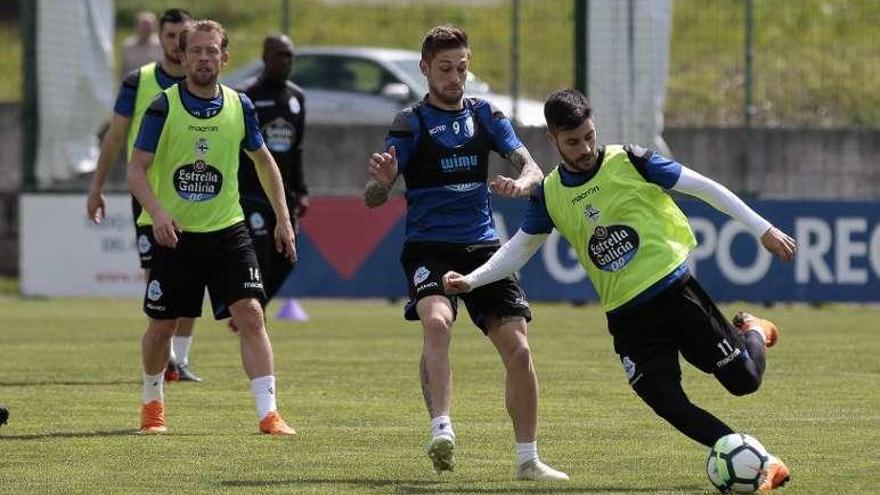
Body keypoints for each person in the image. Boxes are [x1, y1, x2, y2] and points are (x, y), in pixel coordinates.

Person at [443, 88, 795, 491]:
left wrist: (763, 229)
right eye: (573, 142)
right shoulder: (550, 194)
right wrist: (472, 280)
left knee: (744, 382)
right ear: (552, 140)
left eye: (589, 136)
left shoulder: (631, 160)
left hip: (675, 292)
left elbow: (705, 187)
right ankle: (759, 461)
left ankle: (752, 329)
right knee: (662, 396)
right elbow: (518, 250)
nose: (585, 148)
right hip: (626, 316)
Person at [365, 25, 568, 481]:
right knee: (438, 322)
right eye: (444, 69)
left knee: (518, 350)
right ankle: (442, 429)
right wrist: (381, 182)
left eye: (461, 67)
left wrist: (523, 183)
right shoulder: (411, 122)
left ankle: (528, 460)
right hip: (429, 247)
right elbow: (372, 198)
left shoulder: (486, 115)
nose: (455, 77)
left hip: (483, 248)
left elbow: (533, 166)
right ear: (425, 70)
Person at [127, 19, 297, 435]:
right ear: (182, 57)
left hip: (228, 231)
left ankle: (269, 414)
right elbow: (136, 170)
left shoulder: (241, 105)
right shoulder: (163, 106)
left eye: (212, 50)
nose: (204, 58)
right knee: (161, 327)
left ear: (225, 57)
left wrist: (283, 217)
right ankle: (152, 403)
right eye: (196, 51)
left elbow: (263, 160)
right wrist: (158, 213)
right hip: (176, 235)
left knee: (252, 315)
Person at [87, 9, 202, 382]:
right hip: (149, 194)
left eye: (182, 34)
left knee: (193, 274)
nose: (175, 42)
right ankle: (164, 355)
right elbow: (115, 137)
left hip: (195, 194)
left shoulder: (206, 86)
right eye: (170, 36)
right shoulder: (140, 82)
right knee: (158, 274)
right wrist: (97, 187)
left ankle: (178, 360)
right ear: (162, 39)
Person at [222, 33, 307, 318]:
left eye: (289, 55)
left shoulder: (297, 98)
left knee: (288, 259)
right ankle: (246, 309)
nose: (285, 61)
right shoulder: (247, 96)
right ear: (264, 57)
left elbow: (297, 148)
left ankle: (251, 307)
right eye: (279, 55)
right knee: (261, 252)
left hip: (284, 195)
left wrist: (301, 189)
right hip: (251, 191)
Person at [120, 11, 163, 78]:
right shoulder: (128, 45)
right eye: (143, 25)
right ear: (136, 26)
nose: (146, 28)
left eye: (149, 25)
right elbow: (124, 69)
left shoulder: (161, 45)